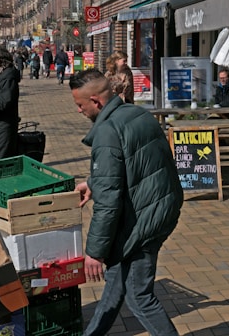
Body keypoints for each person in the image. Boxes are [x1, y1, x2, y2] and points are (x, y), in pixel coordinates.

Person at [69, 69, 183, 336]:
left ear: (96, 101)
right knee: (116, 281)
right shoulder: (139, 114)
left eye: (80, 105)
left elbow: (108, 203)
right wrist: (94, 182)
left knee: (139, 296)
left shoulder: (107, 133)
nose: (78, 111)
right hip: (159, 209)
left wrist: (95, 252)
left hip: (143, 222)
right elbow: (133, 169)